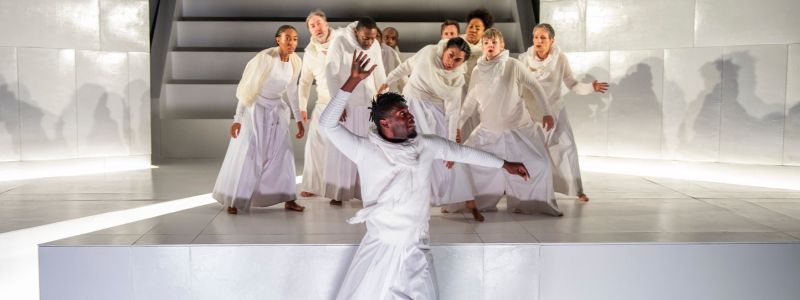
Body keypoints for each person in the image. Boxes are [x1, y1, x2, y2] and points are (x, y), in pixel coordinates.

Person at [324, 51, 530, 300]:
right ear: (385, 123)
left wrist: (504, 164)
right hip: (381, 244)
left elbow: (462, 152)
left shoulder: (426, 144)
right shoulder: (365, 150)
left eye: (408, 111)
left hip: (416, 245)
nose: (410, 116)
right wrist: (353, 81)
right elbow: (327, 124)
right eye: (402, 114)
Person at [452, 28, 561, 217]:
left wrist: (547, 113)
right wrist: (458, 125)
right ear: (482, 46)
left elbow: (535, 86)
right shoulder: (477, 70)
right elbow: (470, 101)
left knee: (540, 164)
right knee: (465, 162)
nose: (490, 46)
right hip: (487, 131)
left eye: (494, 42)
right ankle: (476, 202)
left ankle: (532, 204)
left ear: (502, 45)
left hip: (518, 130)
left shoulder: (513, 65)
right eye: (486, 43)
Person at [212, 25, 306, 214]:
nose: (292, 42)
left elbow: (292, 92)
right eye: (287, 38)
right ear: (277, 39)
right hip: (256, 110)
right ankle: (234, 199)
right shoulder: (264, 59)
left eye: (295, 38)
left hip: (277, 111)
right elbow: (247, 89)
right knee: (250, 154)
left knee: (284, 154)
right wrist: (237, 118)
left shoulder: (295, 61)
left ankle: (288, 198)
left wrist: (299, 119)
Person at [518, 23, 608, 202]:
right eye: (536, 37)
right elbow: (517, 85)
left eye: (543, 37)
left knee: (566, 148)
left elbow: (572, 83)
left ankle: (577, 189)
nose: (539, 41)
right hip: (531, 112)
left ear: (552, 40)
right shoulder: (523, 59)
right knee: (530, 152)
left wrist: (591, 87)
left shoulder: (560, 58)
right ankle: (528, 189)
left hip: (555, 110)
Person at [378, 37, 471, 208]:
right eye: (450, 55)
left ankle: (436, 194)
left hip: (433, 112)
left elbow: (452, 113)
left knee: (436, 149)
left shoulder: (456, 80)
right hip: (409, 105)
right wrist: (387, 81)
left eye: (458, 60)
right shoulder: (428, 52)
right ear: (444, 50)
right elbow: (406, 67)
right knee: (403, 148)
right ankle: (400, 195)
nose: (452, 62)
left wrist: (451, 147)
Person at [323, 17, 386, 205]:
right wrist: (338, 102)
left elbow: (379, 71)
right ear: (357, 32)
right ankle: (339, 192)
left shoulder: (374, 44)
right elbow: (330, 73)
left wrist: (383, 97)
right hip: (346, 101)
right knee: (344, 146)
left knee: (366, 147)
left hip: (366, 101)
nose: (369, 42)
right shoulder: (340, 41)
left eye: (372, 38)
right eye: (366, 38)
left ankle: (363, 190)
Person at [298, 9, 337, 198]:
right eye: (312, 26)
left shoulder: (343, 41)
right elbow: (304, 82)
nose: (317, 27)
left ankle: (345, 186)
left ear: (326, 23)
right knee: (315, 143)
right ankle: (312, 185)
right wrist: (302, 107)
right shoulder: (309, 52)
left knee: (343, 145)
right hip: (322, 103)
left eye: (319, 23)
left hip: (345, 102)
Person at [459, 8, 494, 140]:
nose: (473, 30)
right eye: (471, 26)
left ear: (484, 32)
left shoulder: (488, 49)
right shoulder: (456, 43)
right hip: (458, 91)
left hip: (478, 94)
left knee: (477, 131)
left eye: (477, 28)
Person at [379, 27, 404, 92]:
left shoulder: (400, 56)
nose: (390, 41)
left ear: (397, 41)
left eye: (393, 38)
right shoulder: (378, 52)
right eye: (387, 37)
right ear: (381, 38)